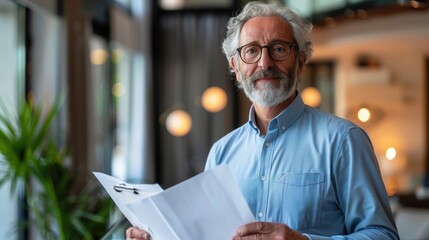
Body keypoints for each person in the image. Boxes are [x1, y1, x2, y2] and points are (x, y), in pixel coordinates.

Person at [126, 1, 399, 239]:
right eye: (252, 51)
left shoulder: (343, 141)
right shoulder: (221, 153)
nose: (265, 63)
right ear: (236, 66)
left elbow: (383, 235)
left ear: (300, 62)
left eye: (279, 49)